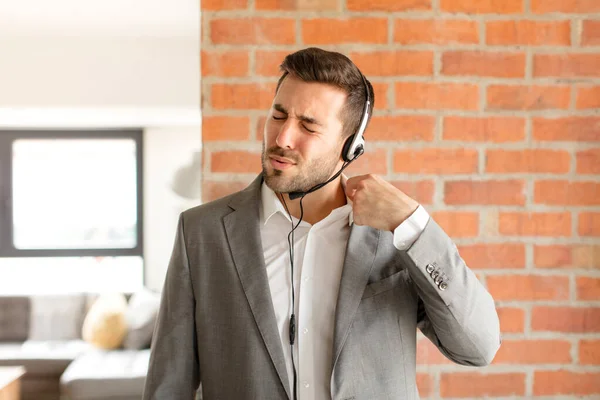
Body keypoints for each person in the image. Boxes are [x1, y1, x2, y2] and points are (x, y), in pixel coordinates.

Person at [143, 47, 501, 400]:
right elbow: (167, 385)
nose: (282, 138)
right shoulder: (202, 232)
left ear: (350, 146)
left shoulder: (397, 235)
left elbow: (477, 347)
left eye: (308, 127)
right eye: (278, 116)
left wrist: (413, 225)